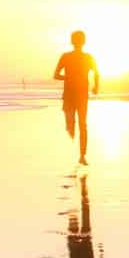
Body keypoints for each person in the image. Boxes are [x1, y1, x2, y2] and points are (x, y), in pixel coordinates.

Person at [53, 30, 99, 165]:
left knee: (79, 125)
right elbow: (97, 74)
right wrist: (96, 87)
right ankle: (81, 154)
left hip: (75, 95)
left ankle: (81, 155)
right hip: (77, 95)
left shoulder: (71, 57)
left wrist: (68, 77)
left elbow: (56, 75)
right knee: (79, 125)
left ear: (72, 41)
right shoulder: (76, 57)